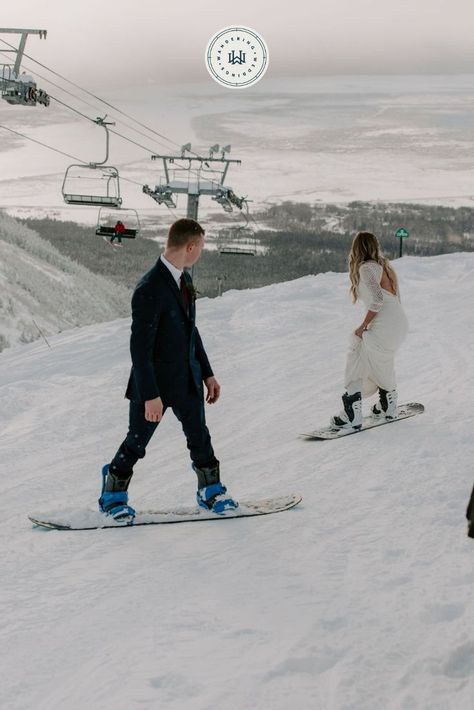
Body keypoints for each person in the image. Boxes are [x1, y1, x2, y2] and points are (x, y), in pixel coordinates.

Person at [98, 218, 238, 522]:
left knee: (200, 438)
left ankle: (210, 492)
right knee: (137, 441)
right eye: (200, 246)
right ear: (190, 246)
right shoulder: (149, 288)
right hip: (155, 388)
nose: (201, 251)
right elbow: (140, 349)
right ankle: (112, 495)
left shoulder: (184, 280)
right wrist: (150, 395)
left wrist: (207, 373)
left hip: (187, 379)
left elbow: (191, 331)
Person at [330, 231, 408, 429]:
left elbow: (378, 299)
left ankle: (351, 412)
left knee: (355, 349)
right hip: (398, 325)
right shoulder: (385, 266)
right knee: (381, 360)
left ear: (356, 248)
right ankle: (387, 404)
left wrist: (363, 326)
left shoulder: (366, 268)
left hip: (386, 325)